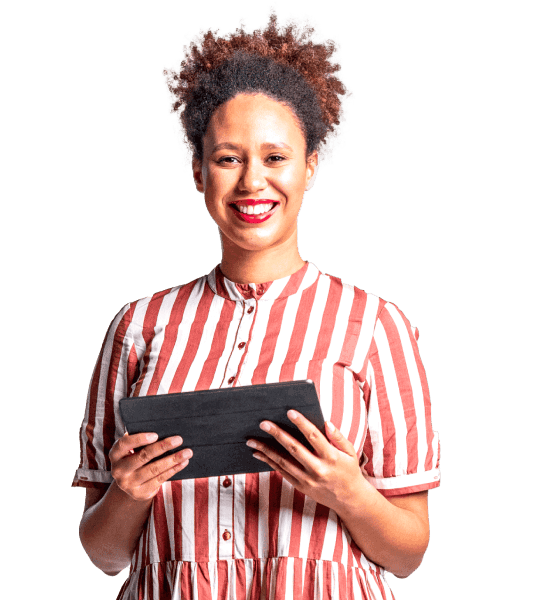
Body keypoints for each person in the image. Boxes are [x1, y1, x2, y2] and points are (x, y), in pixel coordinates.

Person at [73, 6, 441, 599]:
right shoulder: (138, 326)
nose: (252, 182)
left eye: (275, 157)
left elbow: (408, 553)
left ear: (310, 167)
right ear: (198, 173)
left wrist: (346, 490)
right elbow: (104, 552)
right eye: (228, 158)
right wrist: (129, 491)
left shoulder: (376, 325)